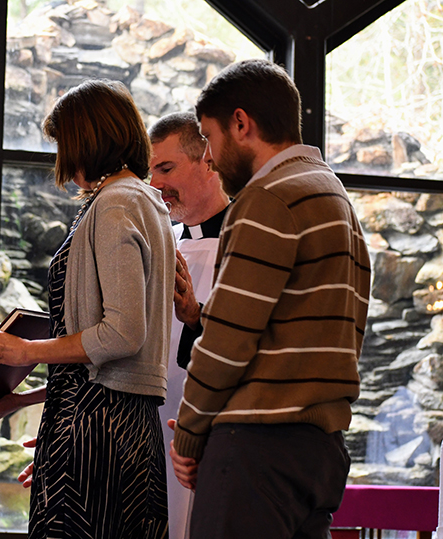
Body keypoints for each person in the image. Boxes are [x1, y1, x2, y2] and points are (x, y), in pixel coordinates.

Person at [0, 79, 176, 539]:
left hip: (96, 434)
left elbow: (121, 336)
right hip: (128, 430)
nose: (61, 159)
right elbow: (117, 363)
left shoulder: (117, 202)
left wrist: (24, 351)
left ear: (85, 140)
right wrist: (19, 400)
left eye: (64, 143)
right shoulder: (146, 201)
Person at [170, 59, 371, 538]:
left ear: (242, 124)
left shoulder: (268, 198)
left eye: (210, 137)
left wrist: (192, 436)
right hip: (319, 453)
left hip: (256, 451)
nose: (211, 158)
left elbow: (227, 342)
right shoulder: (336, 198)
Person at [148, 111, 229, 539]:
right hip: (150, 431)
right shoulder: (160, 246)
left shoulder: (245, 245)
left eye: (166, 168)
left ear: (209, 161)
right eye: (151, 172)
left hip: (210, 437)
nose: (156, 184)